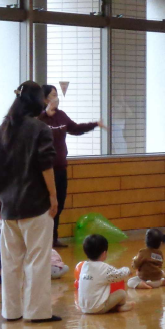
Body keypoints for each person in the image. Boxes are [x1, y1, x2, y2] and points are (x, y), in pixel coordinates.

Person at [0, 81, 59, 323]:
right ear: (38, 102)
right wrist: (53, 196)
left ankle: (11, 312)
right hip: (35, 206)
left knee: (10, 263)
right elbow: (46, 165)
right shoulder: (39, 129)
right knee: (37, 261)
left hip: (9, 208)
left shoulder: (3, 128)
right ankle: (37, 313)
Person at [39, 84, 105, 248]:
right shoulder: (38, 118)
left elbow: (75, 128)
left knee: (59, 204)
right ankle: (42, 239)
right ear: (44, 99)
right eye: (52, 95)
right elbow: (30, 128)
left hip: (60, 168)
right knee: (44, 205)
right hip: (43, 170)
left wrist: (95, 124)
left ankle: (53, 238)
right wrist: (45, 114)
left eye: (56, 94)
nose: (56, 98)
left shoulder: (61, 115)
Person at [78, 234, 134, 314]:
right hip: (98, 309)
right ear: (104, 253)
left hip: (83, 308)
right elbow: (119, 275)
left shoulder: (84, 266)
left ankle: (112, 307)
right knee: (121, 293)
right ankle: (118, 307)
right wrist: (127, 270)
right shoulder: (104, 268)